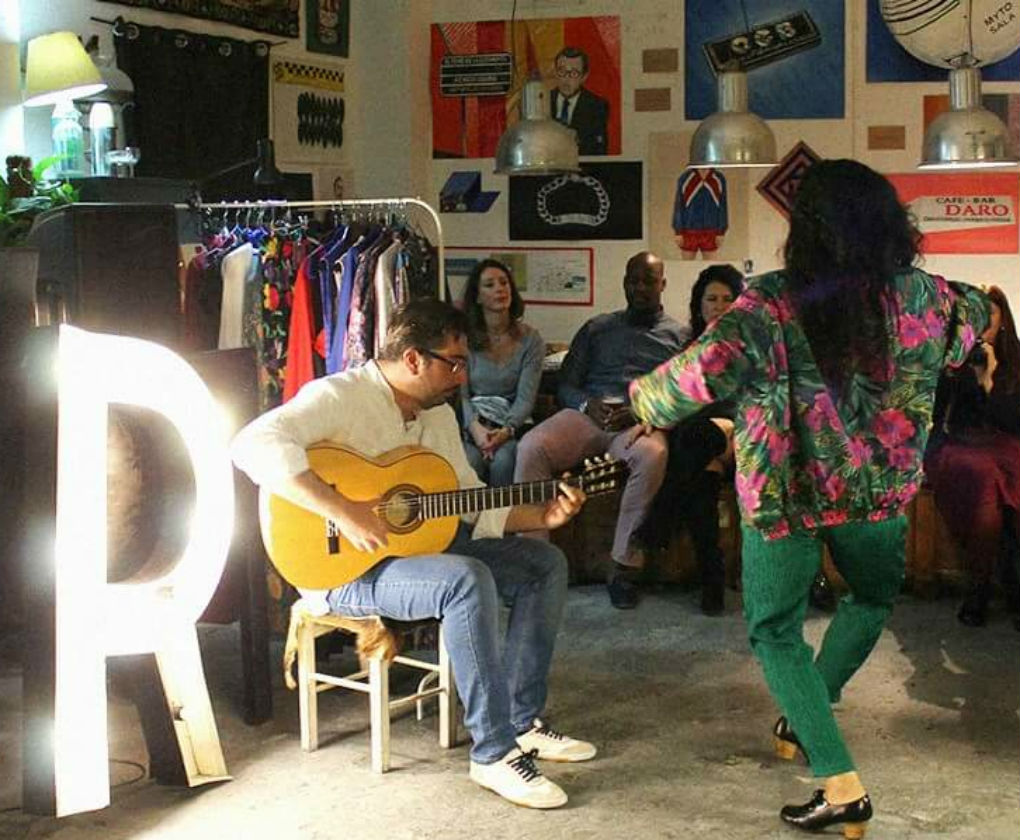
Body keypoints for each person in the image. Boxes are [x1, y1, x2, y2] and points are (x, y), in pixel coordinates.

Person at [628, 159, 988, 835]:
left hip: (785, 495)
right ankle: (807, 712)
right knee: (871, 599)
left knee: (775, 631)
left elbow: (684, 385)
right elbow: (979, 314)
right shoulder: (931, 299)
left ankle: (841, 784)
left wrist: (637, 400)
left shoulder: (767, 305)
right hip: (878, 497)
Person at [231, 298, 596, 810]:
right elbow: (250, 443)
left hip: (419, 552)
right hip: (342, 570)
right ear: (413, 359)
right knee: (465, 577)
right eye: (455, 363)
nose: (463, 377)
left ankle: (521, 722)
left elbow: (470, 503)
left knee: (545, 564)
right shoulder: (340, 396)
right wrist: (343, 510)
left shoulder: (438, 416)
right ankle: (493, 753)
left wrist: (543, 517)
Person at [515, 251, 730, 610]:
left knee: (654, 455)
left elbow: (685, 393)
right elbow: (566, 384)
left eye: (649, 281)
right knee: (531, 446)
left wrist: (644, 410)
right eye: (634, 280)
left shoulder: (680, 337)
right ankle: (533, 561)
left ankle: (623, 567)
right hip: (589, 415)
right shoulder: (596, 328)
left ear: (662, 284)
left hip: (639, 423)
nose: (640, 288)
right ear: (625, 283)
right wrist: (586, 404)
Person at [639, 264, 742, 615]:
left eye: (727, 299)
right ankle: (712, 580)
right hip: (702, 444)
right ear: (699, 305)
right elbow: (673, 401)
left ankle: (660, 519)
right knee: (700, 475)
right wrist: (650, 420)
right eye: (712, 299)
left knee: (696, 437)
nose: (719, 306)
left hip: (744, 439)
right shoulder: (688, 348)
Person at [925, 285, 1020, 627]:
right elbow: (937, 416)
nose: (981, 324)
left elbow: (1013, 423)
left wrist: (989, 379)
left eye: (988, 316)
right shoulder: (951, 359)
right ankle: (983, 587)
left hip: (1003, 443)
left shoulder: (1015, 362)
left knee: (1007, 475)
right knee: (984, 479)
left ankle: (1005, 582)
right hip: (959, 444)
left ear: (1003, 321)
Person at [460, 259, 544, 486]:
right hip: (472, 425)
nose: (500, 289)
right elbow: (461, 395)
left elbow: (526, 398)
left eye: (504, 283)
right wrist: (476, 429)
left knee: (504, 461)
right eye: (490, 285)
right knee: (471, 462)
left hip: (510, 426)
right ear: (478, 297)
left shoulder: (531, 339)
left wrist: (505, 432)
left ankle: (506, 512)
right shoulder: (464, 338)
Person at [549, 46, 609, 155]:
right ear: (555, 72)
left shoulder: (597, 106)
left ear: (584, 77)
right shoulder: (542, 101)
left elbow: (599, 151)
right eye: (562, 71)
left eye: (574, 73)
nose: (566, 79)